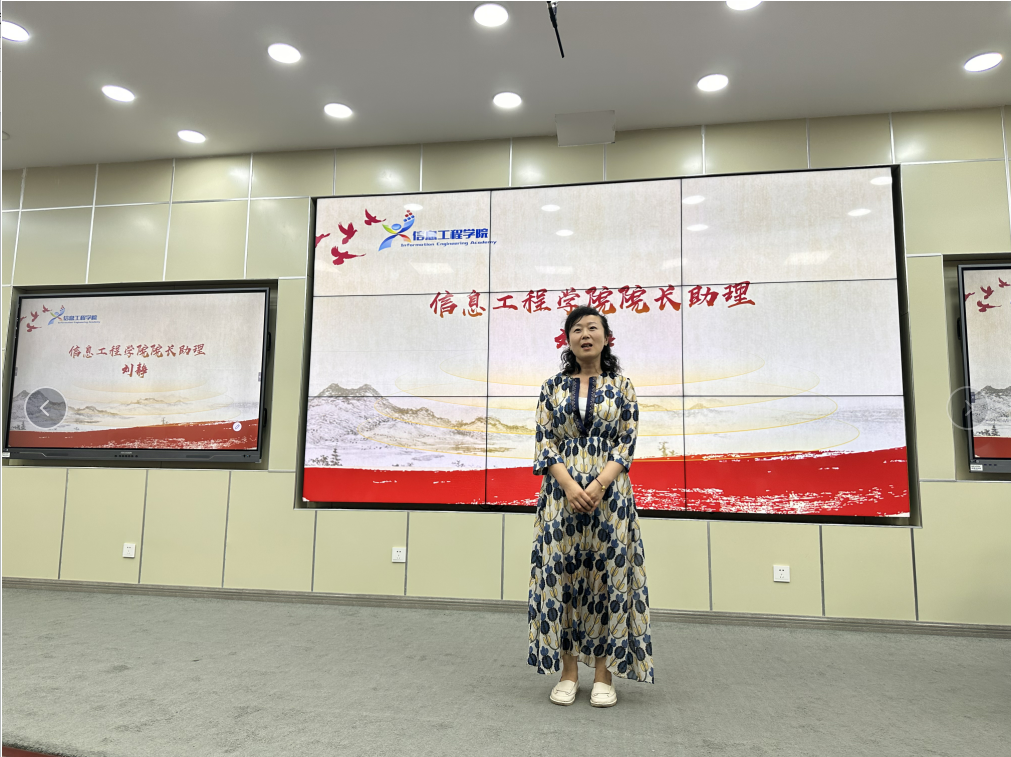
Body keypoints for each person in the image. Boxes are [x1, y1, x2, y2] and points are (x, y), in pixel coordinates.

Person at [527, 305, 654, 708]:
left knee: (607, 579)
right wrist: (569, 485)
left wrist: (598, 484)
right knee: (562, 578)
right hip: (559, 497)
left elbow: (627, 442)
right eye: (577, 329)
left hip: (611, 497)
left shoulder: (623, 386)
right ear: (567, 340)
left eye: (593, 328)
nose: (585, 334)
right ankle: (568, 673)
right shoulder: (551, 387)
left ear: (606, 337)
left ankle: (603, 674)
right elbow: (545, 441)